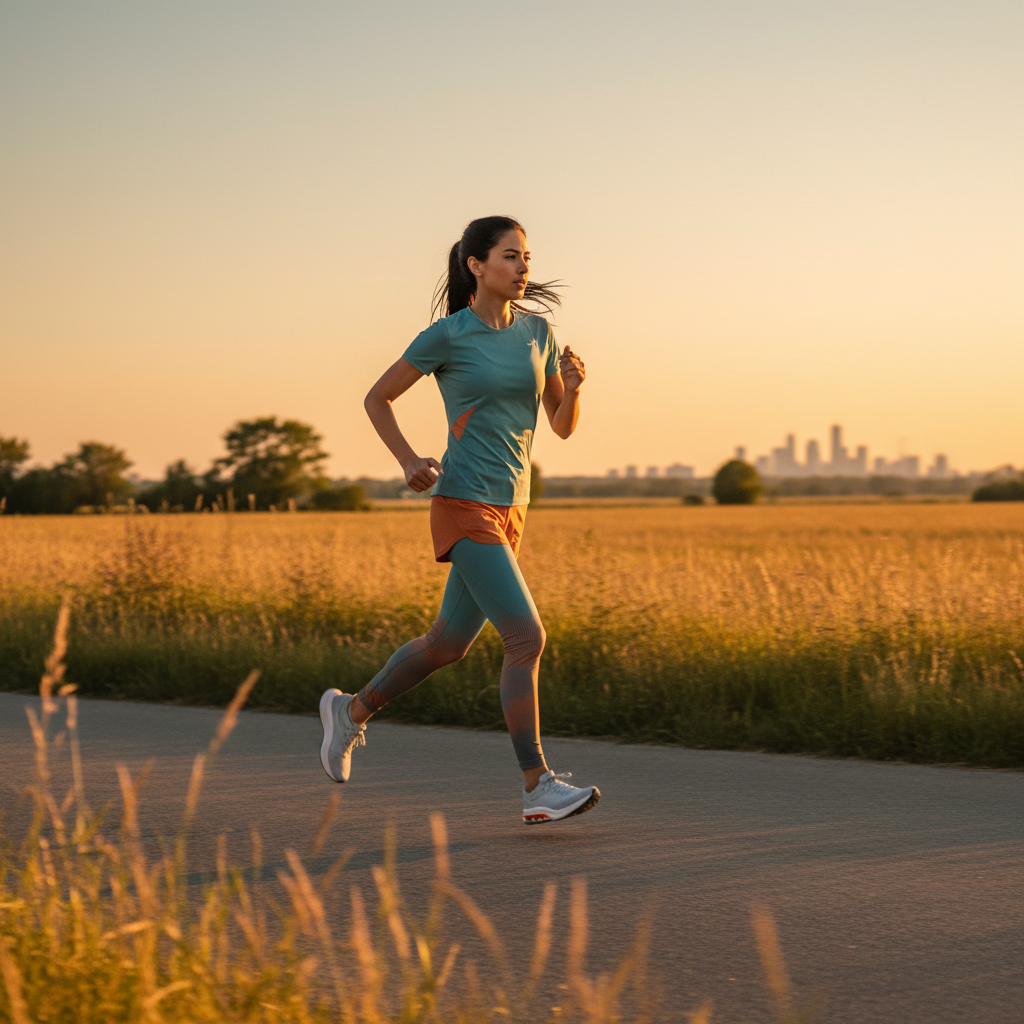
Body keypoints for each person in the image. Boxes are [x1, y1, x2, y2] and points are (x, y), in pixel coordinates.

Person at [319, 216, 599, 824]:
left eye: (526, 257)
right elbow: (377, 397)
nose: (523, 267)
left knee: (447, 644)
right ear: (476, 265)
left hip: (513, 507)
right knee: (527, 637)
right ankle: (537, 785)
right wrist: (407, 460)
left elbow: (560, 424)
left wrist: (573, 389)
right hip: (462, 499)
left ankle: (351, 712)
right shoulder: (448, 336)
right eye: (509, 256)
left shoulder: (539, 333)